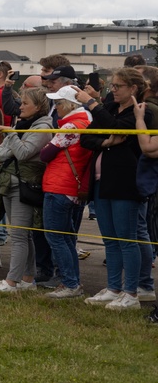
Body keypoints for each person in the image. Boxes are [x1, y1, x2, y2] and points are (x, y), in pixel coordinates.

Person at [75, 69, 151, 310]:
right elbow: (86, 138)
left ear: (133, 89)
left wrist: (92, 104)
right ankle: (113, 288)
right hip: (102, 182)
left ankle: (131, 293)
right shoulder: (108, 109)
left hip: (126, 184)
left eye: (118, 86)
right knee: (110, 240)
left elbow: (119, 127)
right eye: (113, 86)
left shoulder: (139, 112)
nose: (113, 89)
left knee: (127, 239)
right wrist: (105, 141)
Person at [0, 87, 52, 293]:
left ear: (38, 106)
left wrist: (13, 135)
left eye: (25, 103)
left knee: (19, 236)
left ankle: (12, 281)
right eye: (21, 102)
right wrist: (15, 140)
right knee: (23, 235)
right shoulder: (22, 125)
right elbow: (1, 151)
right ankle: (26, 278)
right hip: (10, 183)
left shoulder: (43, 127)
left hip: (25, 185)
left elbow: (23, 153)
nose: (20, 107)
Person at [39, 85, 92, 299]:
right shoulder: (86, 122)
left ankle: (70, 283)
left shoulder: (70, 125)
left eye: (58, 103)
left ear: (69, 105)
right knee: (67, 238)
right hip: (72, 187)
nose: (55, 107)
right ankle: (72, 282)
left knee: (56, 237)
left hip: (60, 186)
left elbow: (46, 153)